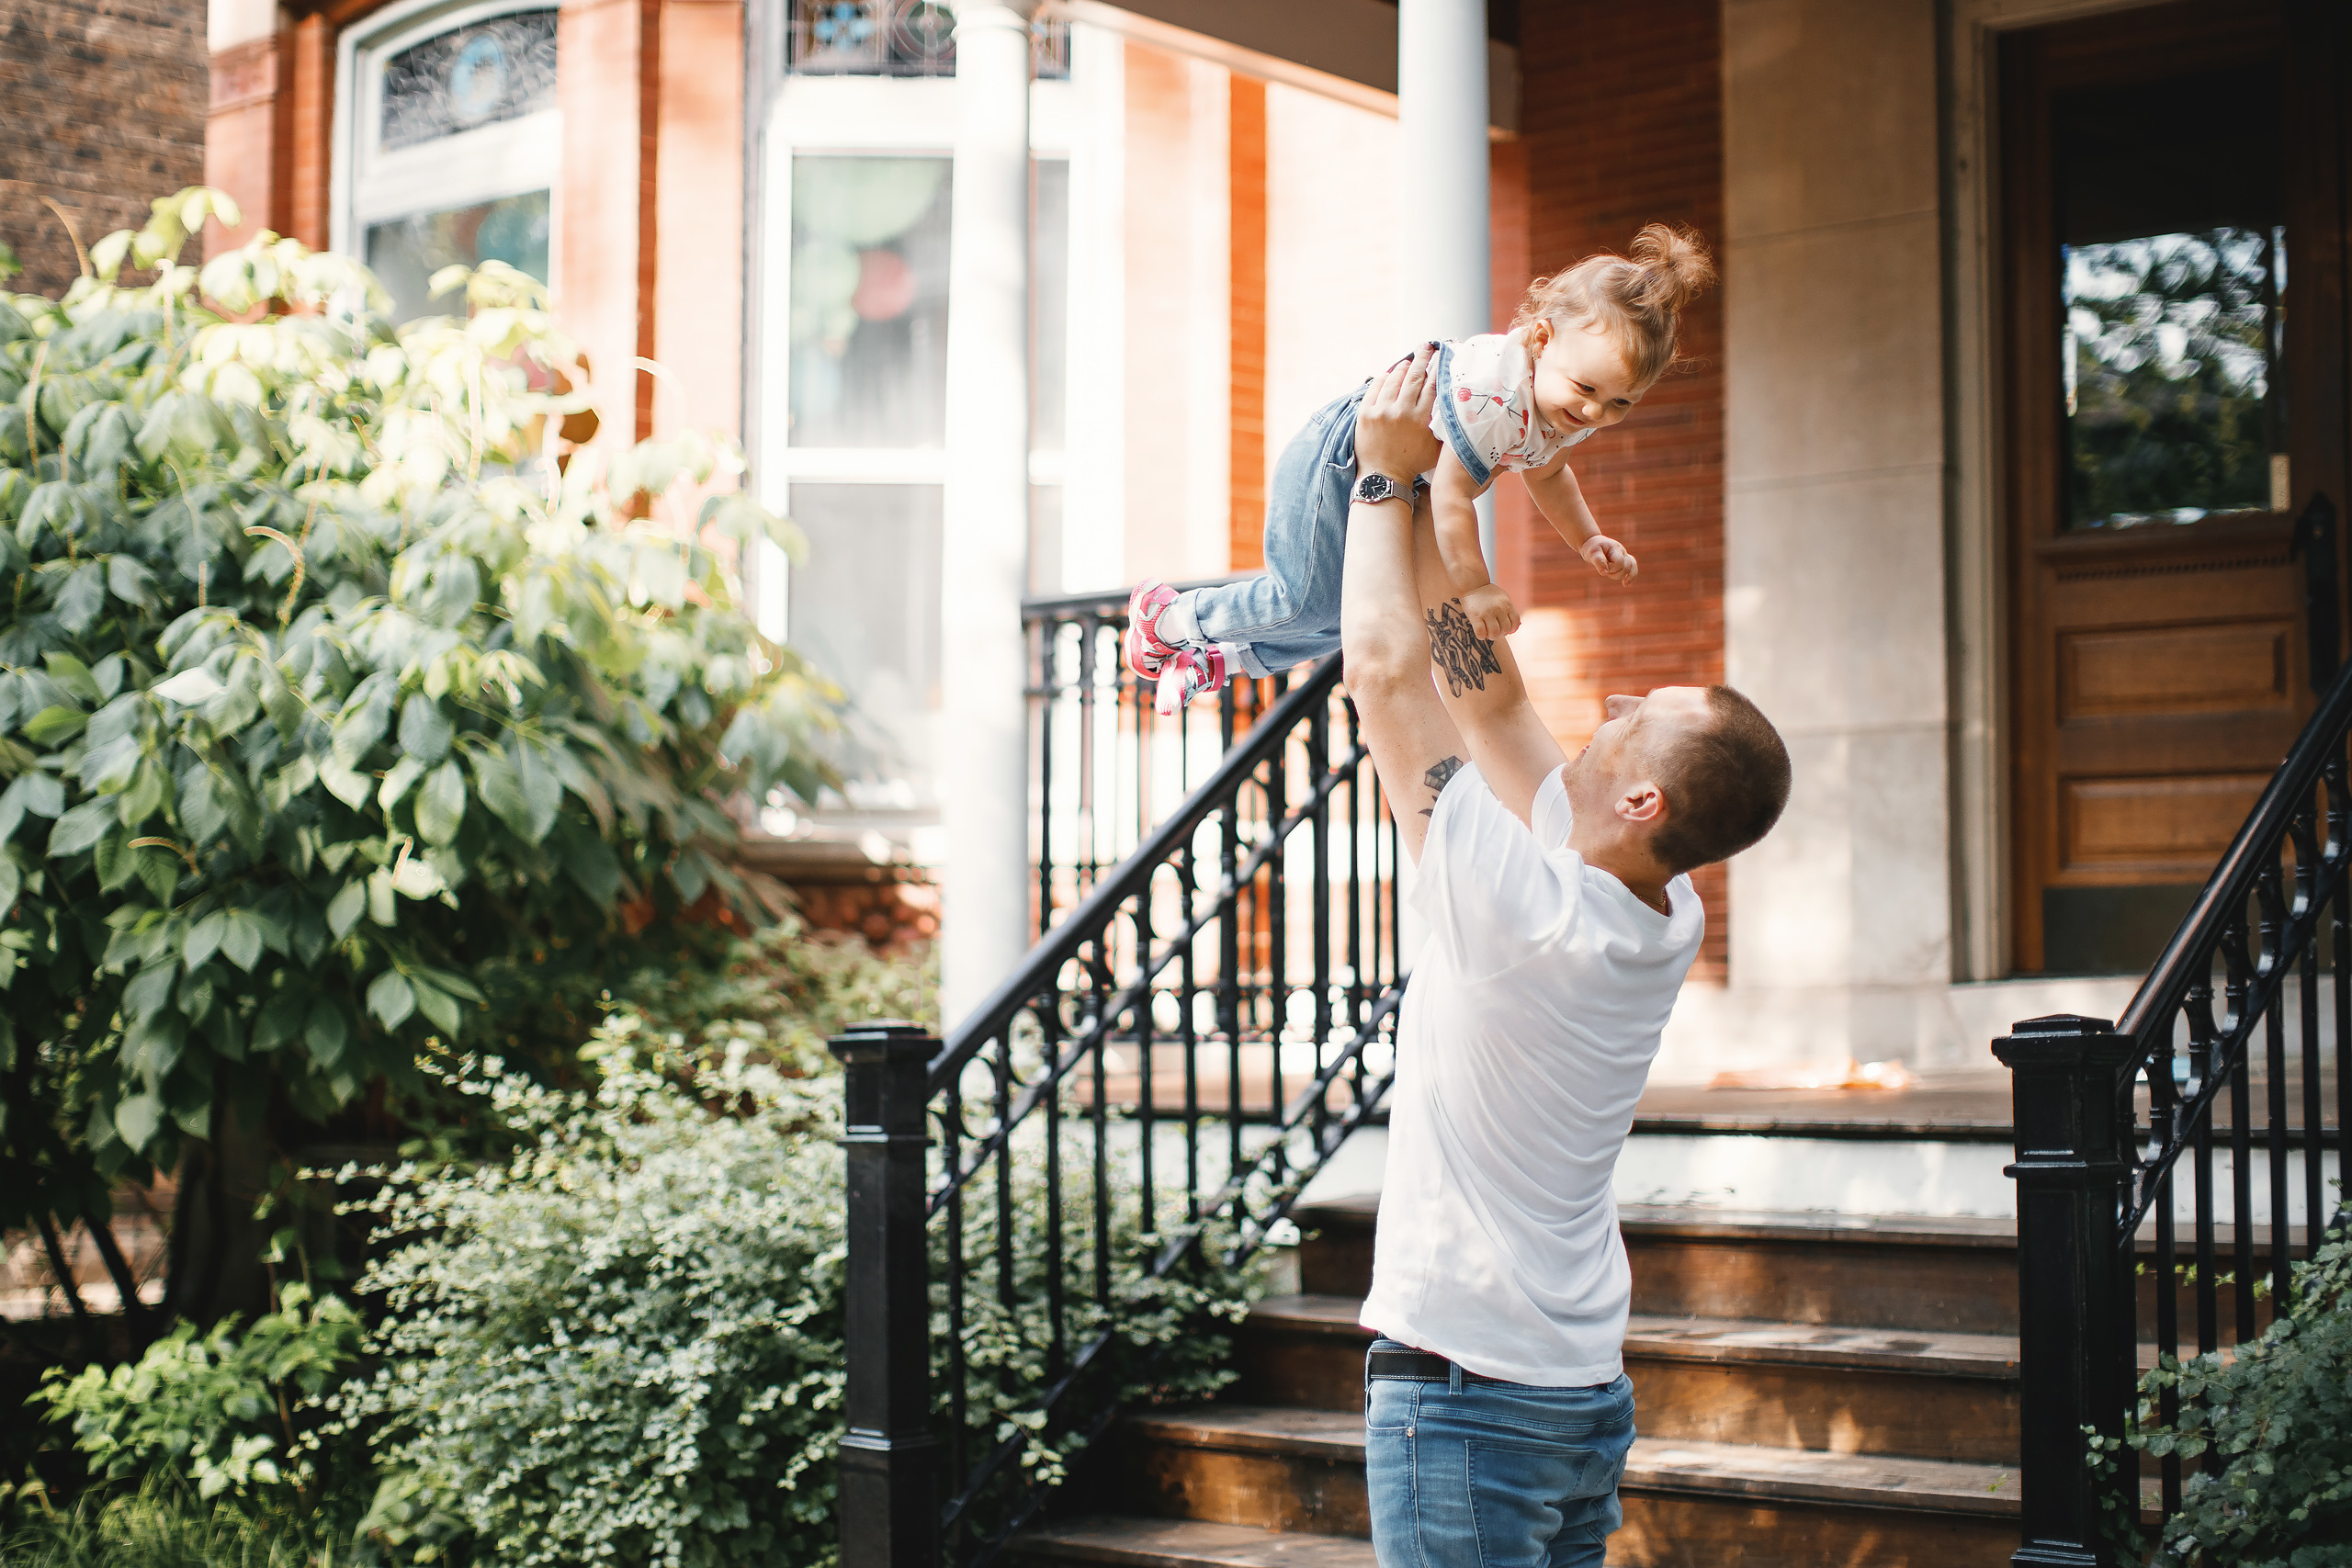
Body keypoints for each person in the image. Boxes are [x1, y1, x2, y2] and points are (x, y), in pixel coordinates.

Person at [1334, 346, 1791, 1565]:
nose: (1618, 697)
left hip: (1470, 1392)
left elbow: (1384, 682)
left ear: (1640, 796)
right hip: (1574, 1387)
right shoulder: (1652, 903)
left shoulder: (1523, 902)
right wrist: (1442, 497)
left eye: (1640, 711)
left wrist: (1379, 484)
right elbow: (1480, 697)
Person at [1123, 224, 1715, 715]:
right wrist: (1476, 586)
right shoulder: (1496, 396)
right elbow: (1456, 499)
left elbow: (1550, 474)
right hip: (1341, 453)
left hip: (1391, 474)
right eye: (1587, 389)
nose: (1593, 411)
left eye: (1620, 403)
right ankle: (1172, 616)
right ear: (1541, 338)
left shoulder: (1561, 404)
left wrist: (1588, 537)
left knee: (1347, 616)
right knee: (1303, 599)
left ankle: (1217, 659)